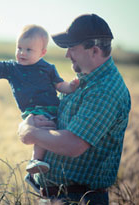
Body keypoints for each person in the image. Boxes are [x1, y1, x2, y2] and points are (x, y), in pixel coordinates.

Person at [18, 14, 131, 204]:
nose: (67, 54)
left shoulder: (105, 90)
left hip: (79, 199)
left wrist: (29, 132)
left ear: (94, 51)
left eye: (72, 48)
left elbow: (73, 145)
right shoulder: (83, 81)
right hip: (59, 196)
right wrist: (33, 120)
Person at [0, 24, 79, 174]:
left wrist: (71, 87)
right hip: (33, 111)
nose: (22, 52)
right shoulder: (13, 68)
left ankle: (47, 168)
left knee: (53, 135)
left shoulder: (48, 68)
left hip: (54, 108)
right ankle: (35, 160)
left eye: (29, 50)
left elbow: (60, 85)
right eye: (19, 48)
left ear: (42, 52)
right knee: (43, 129)